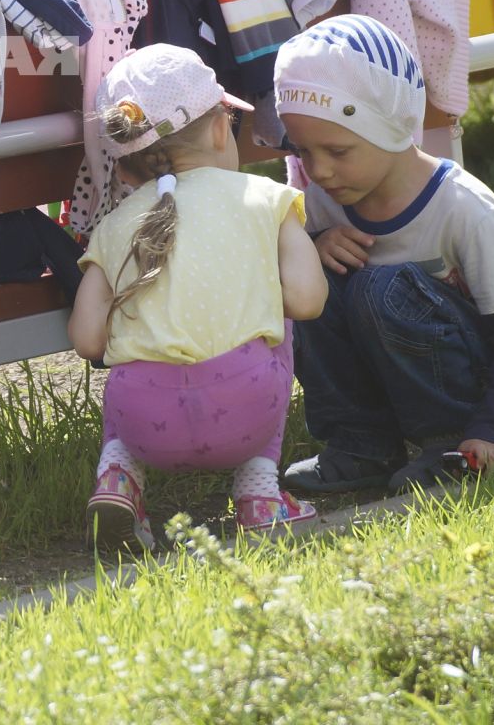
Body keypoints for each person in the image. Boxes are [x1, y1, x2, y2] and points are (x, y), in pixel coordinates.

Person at [273, 14, 494, 494]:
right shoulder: (322, 203)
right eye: (302, 152)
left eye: (337, 151)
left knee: (381, 288)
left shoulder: (461, 207)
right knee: (305, 284)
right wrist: (312, 250)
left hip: (467, 390)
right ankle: (362, 445)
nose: (317, 170)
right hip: (388, 379)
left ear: (391, 126)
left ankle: (447, 448)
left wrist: (493, 429)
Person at [70, 45, 328, 550]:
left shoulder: (115, 225)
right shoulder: (265, 199)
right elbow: (308, 300)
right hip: (246, 409)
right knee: (277, 321)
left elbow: (87, 340)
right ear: (218, 129)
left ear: (124, 170)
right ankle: (259, 497)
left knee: (127, 361)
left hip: (145, 418)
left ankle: (118, 475)